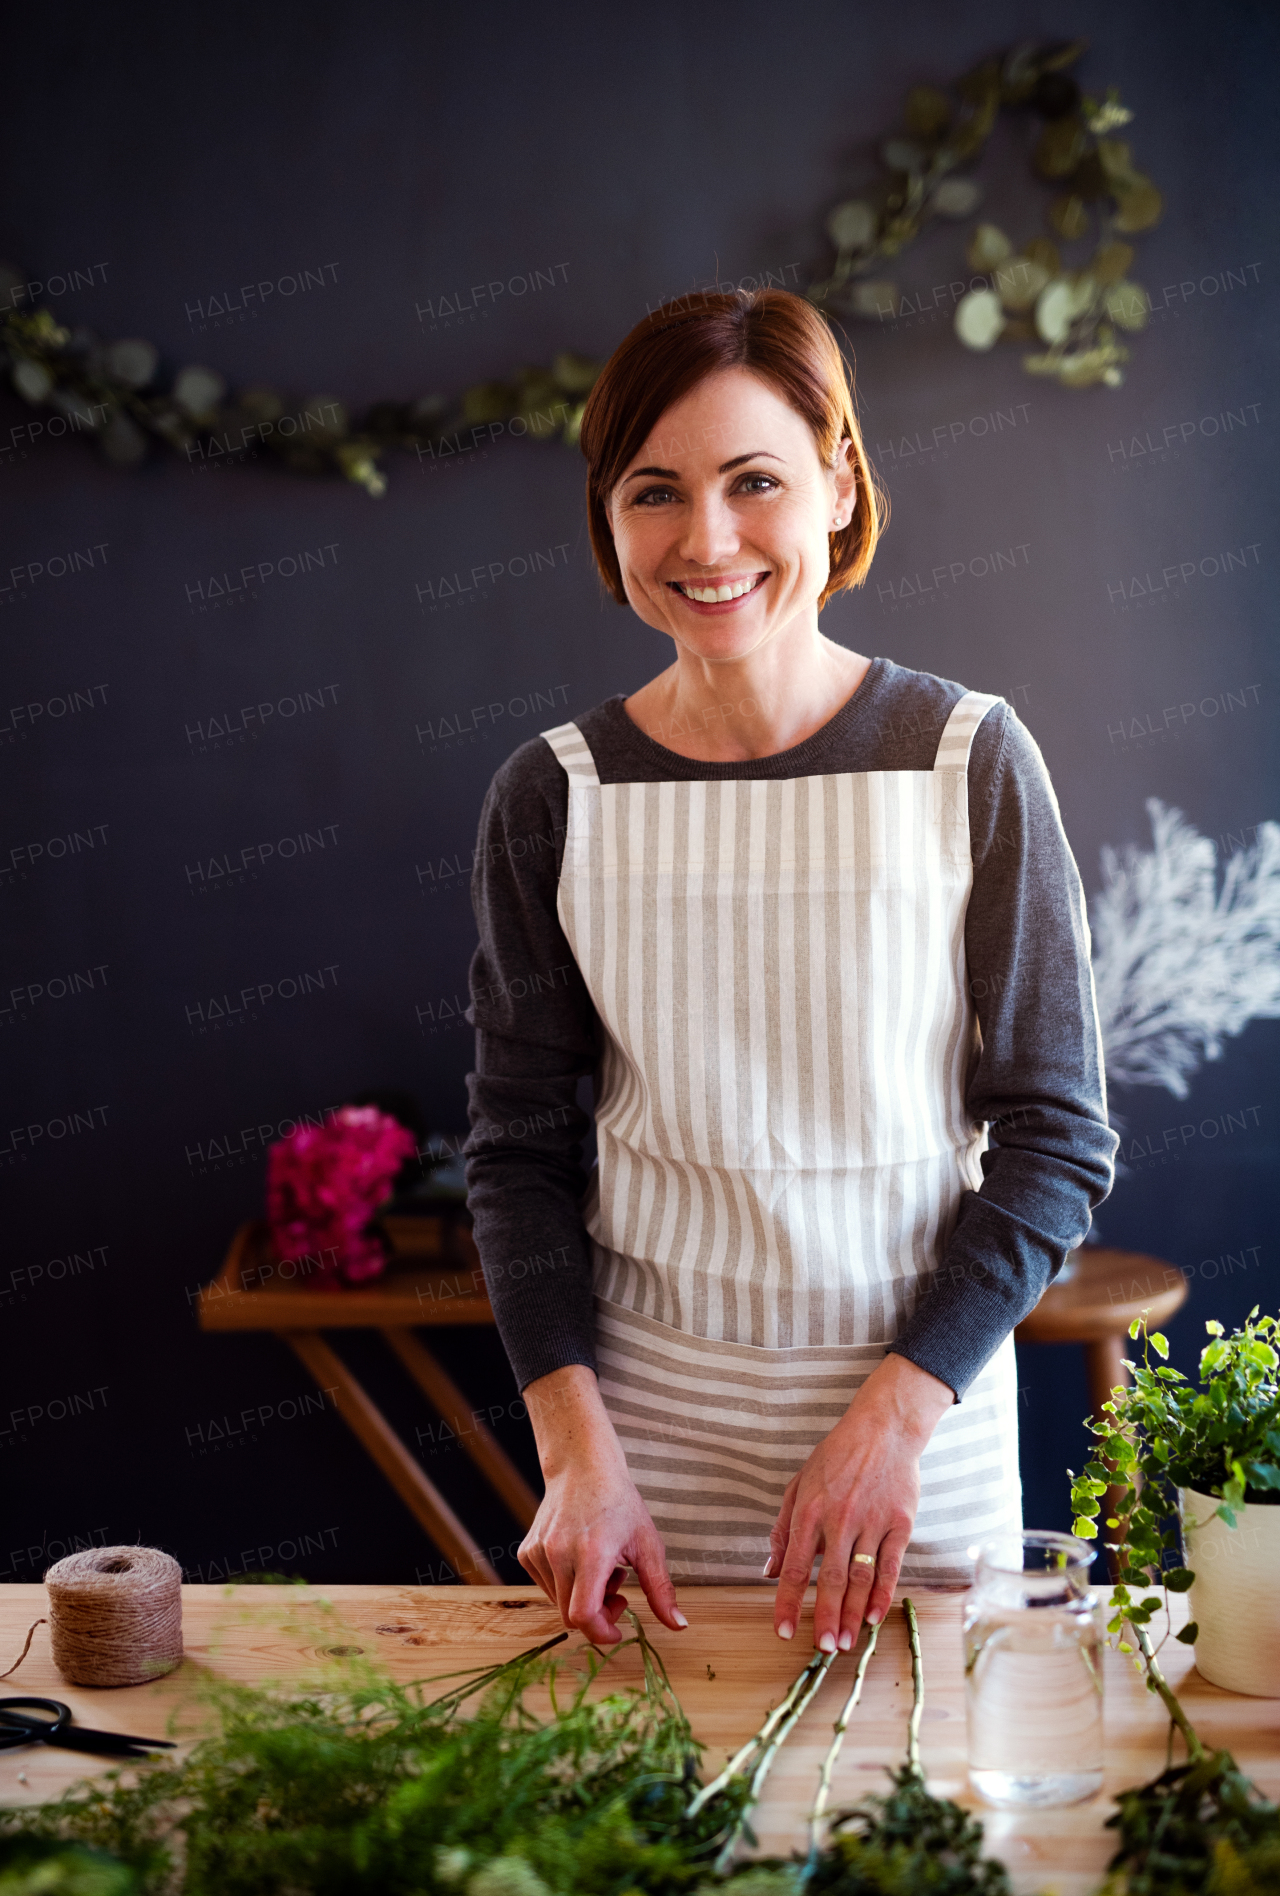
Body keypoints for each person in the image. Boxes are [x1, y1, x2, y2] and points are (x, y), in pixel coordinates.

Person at [463, 288, 1117, 1657]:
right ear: (609, 520)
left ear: (838, 487)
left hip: (917, 1449)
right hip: (647, 1455)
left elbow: (1057, 1136)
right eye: (655, 491)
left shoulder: (972, 760)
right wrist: (575, 1453)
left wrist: (894, 1419)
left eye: (754, 481)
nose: (706, 541)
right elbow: (520, 1154)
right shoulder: (552, 793)